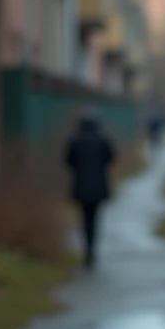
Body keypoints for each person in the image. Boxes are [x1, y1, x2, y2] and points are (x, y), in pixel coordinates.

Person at [65, 108, 116, 269]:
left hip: (81, 187)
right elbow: (111, 158)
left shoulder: (75, 140)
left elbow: (68, 161)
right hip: (99, 188)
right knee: (94, 219)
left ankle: (87, 250)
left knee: (84, 218)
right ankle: (92, 250)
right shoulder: (102, 140)